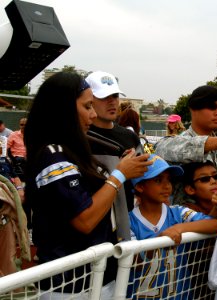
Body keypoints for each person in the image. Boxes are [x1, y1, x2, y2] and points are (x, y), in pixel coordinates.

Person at [24, 72, 152, 298]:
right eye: (87, 106)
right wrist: (119, 174)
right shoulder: (53, 155)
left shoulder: (72, 150)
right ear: (63, 109)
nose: (93, 115)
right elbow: (85, 220)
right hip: (69, 283)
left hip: (96, 274)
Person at [128, 154, 217, 299]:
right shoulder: (128, 221)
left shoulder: (178, 212)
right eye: (158, 180)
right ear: (140, 186)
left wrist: (180, 228)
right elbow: (134, 264)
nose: (167, 186)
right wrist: (158, 243)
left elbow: (214, 224)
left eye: (169, 180)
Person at [155, 85, 217, 203]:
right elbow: (161, 148)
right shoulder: (180, 142)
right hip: (190, 219)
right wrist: (215, 143)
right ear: (193, 109)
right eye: (212, 107)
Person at [86, 71, 141, 237]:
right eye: (104, 97)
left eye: (115, 96)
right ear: (89, 99)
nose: (112, 102)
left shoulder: (130, 136)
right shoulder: (80, 137)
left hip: (126, 222)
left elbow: (142, 181)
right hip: (91, 225)